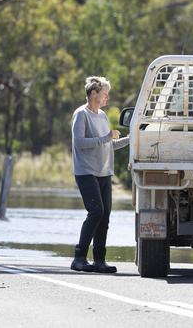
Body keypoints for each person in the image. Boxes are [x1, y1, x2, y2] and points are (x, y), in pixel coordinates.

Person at [70, 76, 129, 273]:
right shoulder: (81, 114)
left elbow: (108, 144)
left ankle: (99, 261)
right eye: (105, 94)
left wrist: (131, 139)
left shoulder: (102, 116)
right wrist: (106, 137)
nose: (107, 98)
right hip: (86, 171)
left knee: (105, 216)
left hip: (105, 173)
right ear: (93, 94)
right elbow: (80, 143)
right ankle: (79, 258)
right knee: (96, 211)